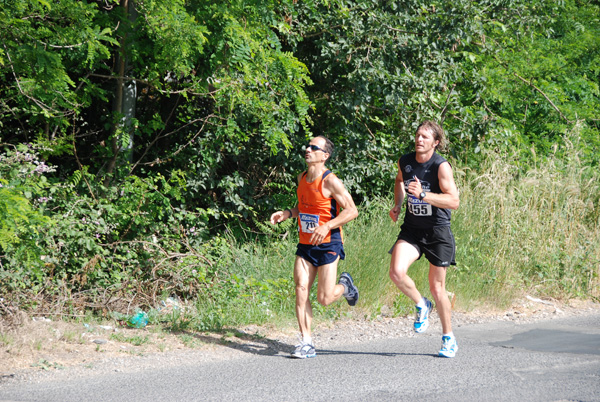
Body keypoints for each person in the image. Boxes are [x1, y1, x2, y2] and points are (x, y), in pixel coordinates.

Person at [270, 135, 359, 359]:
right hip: (306, 244)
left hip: (329, 244)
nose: (307, 149)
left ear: (324, 155)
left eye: (313, 147)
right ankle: (306, 342)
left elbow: (352, 211)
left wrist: (327, 225)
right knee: (301, 290)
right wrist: (287, 214)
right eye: (307, 146)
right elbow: (303, 206)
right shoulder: (301, 177)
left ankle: (345, 286)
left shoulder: (331, 181)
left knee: (325, 298)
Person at [388, 120, 460, 358]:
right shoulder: (405, 161)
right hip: (412, 230)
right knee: (396, 272)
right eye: (418, 135)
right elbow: (399, 180)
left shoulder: (440, 166)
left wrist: (423, 194)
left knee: (437, 287)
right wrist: (398, 204)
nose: (419, 140)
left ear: (436, 143)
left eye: (425, 137)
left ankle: (448, 337)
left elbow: (454, 201)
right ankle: (421, 304)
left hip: (437, 232)